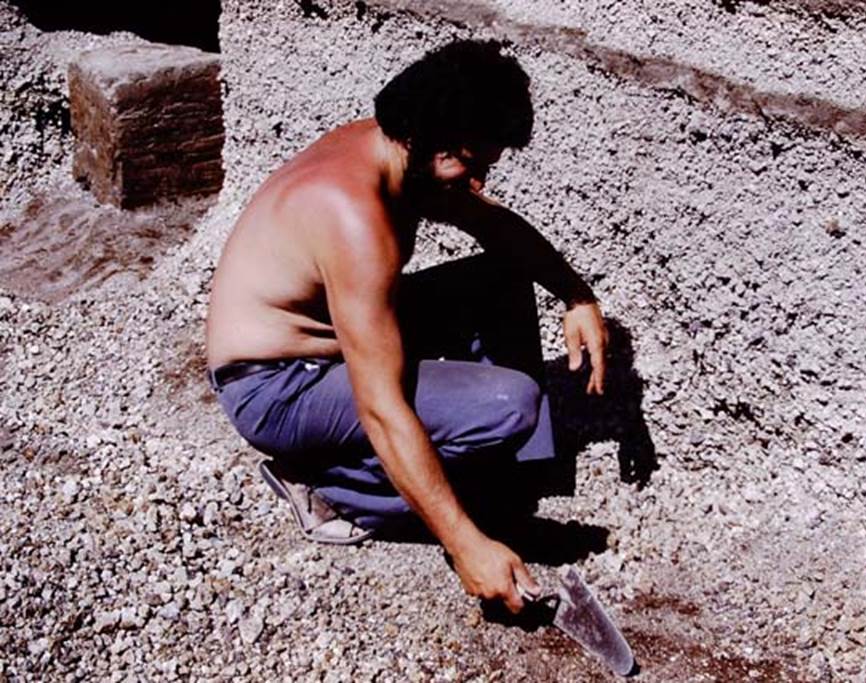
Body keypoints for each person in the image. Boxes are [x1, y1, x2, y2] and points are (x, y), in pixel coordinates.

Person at [204, 40, 608, 614]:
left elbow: (493, 228)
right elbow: (382, 408)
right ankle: (335, 493)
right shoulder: (353, 217)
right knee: (509, 404)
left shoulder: (398, 150)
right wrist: (465, 545)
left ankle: (505, 482)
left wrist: (575, 294)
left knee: (502, 276)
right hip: (276, 386)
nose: (478, 182)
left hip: (332, 344)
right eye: (473, 163)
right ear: (436, 144)